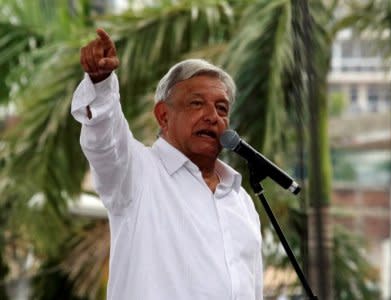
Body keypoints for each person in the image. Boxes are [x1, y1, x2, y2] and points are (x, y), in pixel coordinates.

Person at [71, 28, 263, 300]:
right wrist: (101, 84)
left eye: (222, 109)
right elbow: (105, 140)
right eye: (197, 104)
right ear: (163, 116)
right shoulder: (136, 172)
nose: (212, 116)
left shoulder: (240, 200)